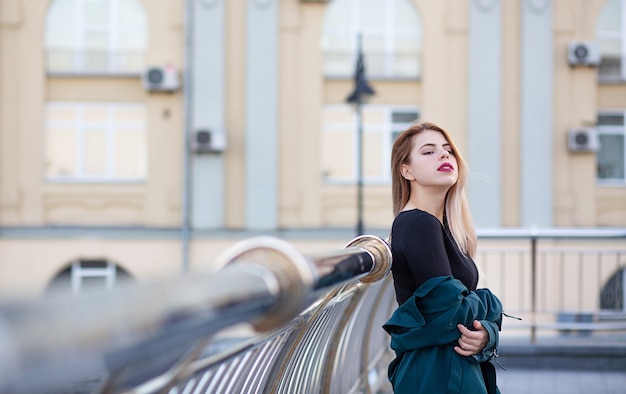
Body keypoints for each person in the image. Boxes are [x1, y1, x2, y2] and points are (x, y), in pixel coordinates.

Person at [383, 121, 504, 393]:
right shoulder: (417, 223)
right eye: (428, 151)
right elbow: (452, 312)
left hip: (450, 366)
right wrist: (492, 304)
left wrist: (487, 334)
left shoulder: (442, 228)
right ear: (407, 170)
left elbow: (457, 313)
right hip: (436, 372)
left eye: (448, 150)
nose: (444, 155)